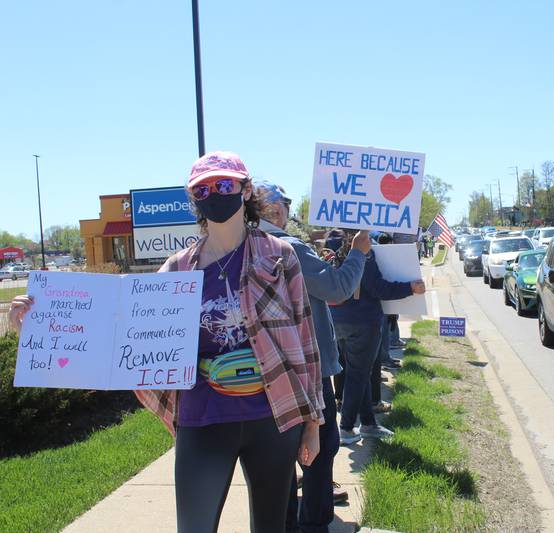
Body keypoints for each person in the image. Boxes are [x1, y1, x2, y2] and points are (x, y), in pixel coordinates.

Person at [10, 151, 326, 533]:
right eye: (203, 188)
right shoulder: (177, 269)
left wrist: (313, 422)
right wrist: (38, 325)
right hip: (202, 418)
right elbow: (120, 336)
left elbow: (306, 341)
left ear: (244, 191)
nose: (215, 193)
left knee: (271, 527)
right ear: (194, 198)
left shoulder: (279, 255)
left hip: (273, 416)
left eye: (225, 185)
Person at [254, 181, 370, 533]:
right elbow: (336, 288)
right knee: (321, 448)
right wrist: (359, 252)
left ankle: (285, 520)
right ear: (273, 211)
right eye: (280, 205)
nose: (283, 211)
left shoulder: (244, 248)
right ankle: (315, 521)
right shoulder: (289, 247)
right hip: (308, 369)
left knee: (278, 455)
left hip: (266, 371)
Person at [330, 235, 426, 445]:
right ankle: (346, 428)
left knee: (359, 373)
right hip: (362, 322)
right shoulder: (364, 253)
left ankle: (368, 424)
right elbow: (379, 288)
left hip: (338, 320)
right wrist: (410, 288)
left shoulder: (335, 249)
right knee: (358, 376)